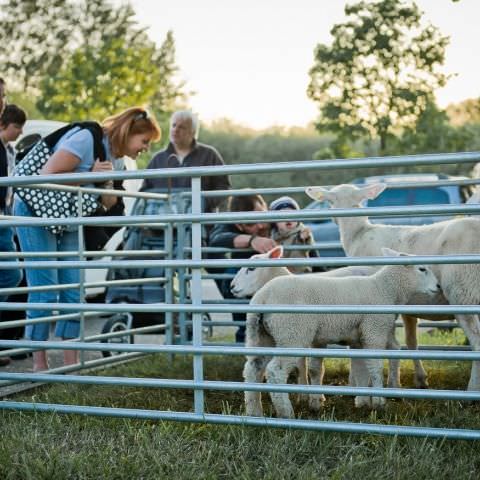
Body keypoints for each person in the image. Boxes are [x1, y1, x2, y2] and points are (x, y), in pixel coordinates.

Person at [13, 107, 161, 372]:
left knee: (73, 289)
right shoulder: (85, 139)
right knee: (45, 289)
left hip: (67, 214)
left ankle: (70, 364)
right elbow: (46, 177)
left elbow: (109, 202)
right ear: (129, 133)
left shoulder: (116, 159)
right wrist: (89, 176)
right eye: (144, 141)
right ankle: (40, 364)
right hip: (35, 208)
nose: (145, 148)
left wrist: (102, 181)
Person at [208, 193, 276, 343]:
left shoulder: (278, 217)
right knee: (232, 275)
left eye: (261, 217)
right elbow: (216, 238)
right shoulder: (230, 224)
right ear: (239, 225)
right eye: (251, 224)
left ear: (266, 208)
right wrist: (252, 240)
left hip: (281, 280)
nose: (260, 225)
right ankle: (245, 341)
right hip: (250, 283)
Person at [141, 110, 230, 213]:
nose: (175, 130)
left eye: (181, 127)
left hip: (200, 222)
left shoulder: (209, 155)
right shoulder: (158, 159)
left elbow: (224, 187)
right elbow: (144, 191)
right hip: (163, 224)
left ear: (193, 132)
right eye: (173, 125)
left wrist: (203, 203)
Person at [0, 92, 25, 366]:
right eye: (19, 127)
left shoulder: (9, 151)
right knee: (11, 275)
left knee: (12, 275)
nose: (20, 132)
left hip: (5, 219)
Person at [269, 195, 321, 274]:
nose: (288, 219)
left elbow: (309, 245)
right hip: (282, 273)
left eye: (292, 215)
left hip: (301, 272)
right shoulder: (273, 235)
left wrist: (303, 238)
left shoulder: (301, 231)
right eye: (281, 216)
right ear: (275, 222)